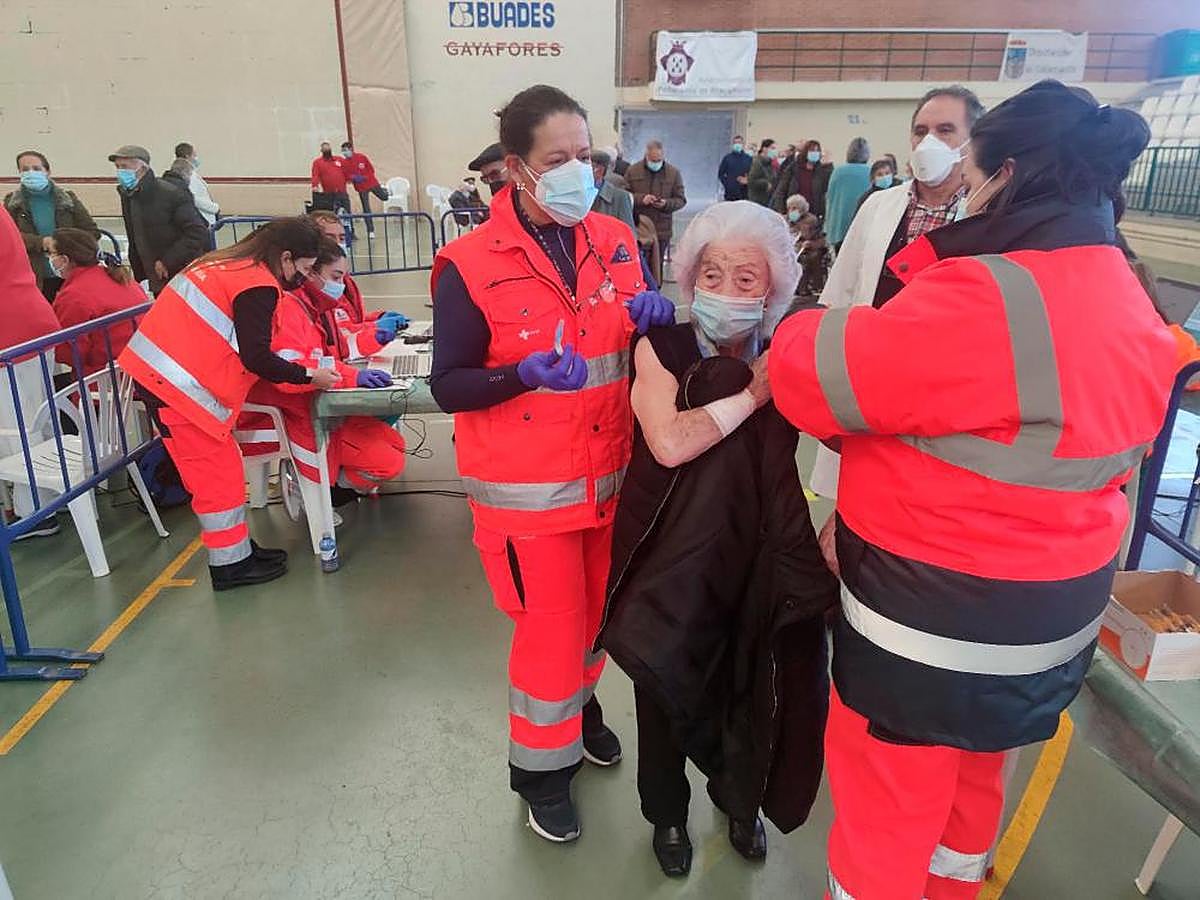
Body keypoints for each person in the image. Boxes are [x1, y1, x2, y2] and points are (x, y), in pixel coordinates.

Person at [768, 79, 1178, 900]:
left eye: (974, 171)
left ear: (1008, 175)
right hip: (1046, 628)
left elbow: (812, 378)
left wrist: (807, 323)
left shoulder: (988, 292)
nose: (963, 185)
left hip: (930, 629)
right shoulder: (1128, 295)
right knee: (972, 793)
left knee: (888, 809)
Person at [429, 84, 675, 843]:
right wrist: (520, 375)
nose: (579, 171)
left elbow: (635, 340)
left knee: (601, 619)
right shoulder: (467, 264)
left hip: (613, 483)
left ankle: (582, 708)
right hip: (529, 499)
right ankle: (541, 771)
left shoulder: (617, 238)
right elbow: (448, 384)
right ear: (516, 169)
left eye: (587, 156)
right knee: (550, 633)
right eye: (557, 159)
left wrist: (658, 323)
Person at [601, 201, 836, 878]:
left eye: (745, 279)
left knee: (750, 678)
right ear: (688, 277)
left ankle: (741, 803)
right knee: (665, 676)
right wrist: (753, 396)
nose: (726, 292)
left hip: (752, 548)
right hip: (667, 549)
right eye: (713, 273)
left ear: (773, 293)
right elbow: (670, 444)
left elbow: (860, 433)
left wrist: (839, 522)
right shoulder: (662, 348)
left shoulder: (787, 360)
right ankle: (667, 814)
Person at [118, 218, 333, 590]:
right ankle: (229, 567)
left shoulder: (223, 266)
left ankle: (240, 550)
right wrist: (308, 376)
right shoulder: (256, 284)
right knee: (217, 483)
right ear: (285, 257)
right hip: (178, 390)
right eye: (304, 268)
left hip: (168, 380)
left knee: (225, 473)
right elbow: (257, 357)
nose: (304, 277)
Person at [809, 86, 984, 513]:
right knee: (856, 510)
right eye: (921, 130)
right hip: (871, 383)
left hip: (950, 394)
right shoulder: (880, 207)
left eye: (946, 130)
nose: (930, 142)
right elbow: (841, 293)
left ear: (973, 141)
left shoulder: (990, 215)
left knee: (928, 509)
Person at [240, 240, 405, 516]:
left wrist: (357, 366)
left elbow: (329, 352)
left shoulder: (312, 307)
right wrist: (352, 377)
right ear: (310, 272)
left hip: (316, 405)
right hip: (295, 413)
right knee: (387, 462)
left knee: (395, 444)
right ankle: (315, 492)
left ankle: (321, 486)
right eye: (335, 277)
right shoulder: (290, 308)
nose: (340, 285)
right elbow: (295, 371)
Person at [0, 208, 66, 539]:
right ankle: (56, 492)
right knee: (38, 415)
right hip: (30, 319)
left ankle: (36, 511)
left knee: (14, 426)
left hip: (8, 331)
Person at [305, 210, 407, 359]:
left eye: (341, 238)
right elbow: (339, 334)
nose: (338, 243)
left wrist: (378, 317)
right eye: (329, 237)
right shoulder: (319, 285)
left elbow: (350, 318)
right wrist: (376, 327)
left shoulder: (343, 278)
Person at [109, 145, 208, 296]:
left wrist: (167, 261)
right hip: (155, 276)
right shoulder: (129, 196)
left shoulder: (170, 194)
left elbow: (197, 231)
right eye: (117, 167)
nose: (120, 172)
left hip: (181, 273)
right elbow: (136, 235)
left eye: (124, 166)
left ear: (141, 167)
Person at [47, 228, 145, 375]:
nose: (49, 258)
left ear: (65, 259)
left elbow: (70, 354)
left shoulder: (74, 295)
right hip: (138, 367)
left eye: (51, 253)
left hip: (103, 380)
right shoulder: (121, 278)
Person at [5, 151, 99, 300]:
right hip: (35, 276)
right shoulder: (12, 203)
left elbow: (92, 231)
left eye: (36, 168)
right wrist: (41, 242)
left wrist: (65, 243)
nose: (31, 173)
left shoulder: (68, 199)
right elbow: (8, 237)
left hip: (71, 272)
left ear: (47, 171)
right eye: (25, 169)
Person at [625, 141, 687, 277]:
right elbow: (624, 196)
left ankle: (655, 294)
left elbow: (681, 200)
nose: (656, 163)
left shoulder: (673, 173)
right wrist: (641, 199)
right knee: (638, 266)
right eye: (653, 160)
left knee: (656, 268)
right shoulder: (632, 171)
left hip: (662, 229)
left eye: (659, 160)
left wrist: (666, 204)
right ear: (646, 155)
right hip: (639, 228)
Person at [823, 138, 872, 251]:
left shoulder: (838, 172)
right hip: (862, 228)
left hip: (839, 228)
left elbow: (829, 199)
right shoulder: (870, 172)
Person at [770, 140, 832, 217]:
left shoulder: (821, 171)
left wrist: (829, 165)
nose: (815, 153)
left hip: (813, 214)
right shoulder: (793, 168)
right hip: (793, 212)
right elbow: (781, 190)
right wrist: (782, 211)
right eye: (812, 150)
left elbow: (826, 191)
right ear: (806, 152)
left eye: (817, 151)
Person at [340, 141, 389, 231]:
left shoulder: (361, 157)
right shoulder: (344, 162)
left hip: (371, 183)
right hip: (361, 188)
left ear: (351, 149)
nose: (344, 153)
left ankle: (386, 191)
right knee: (366, 208)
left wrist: (365, 177)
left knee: (384, 197)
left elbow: (371, 169)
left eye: (345, 150)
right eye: (342, 151)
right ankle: (370, 230)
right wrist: (353, 177)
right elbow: (346, 176)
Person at [173, 142, 220, 232]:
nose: (196, 158)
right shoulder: (188, 176)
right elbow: (192, 198)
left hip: (205, 220)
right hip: (202, 221)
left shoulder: (191, 174)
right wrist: (215, 208)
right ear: (187, 156)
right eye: (194, 155)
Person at [590, 150, 636, 233]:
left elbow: (628, 234)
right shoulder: (578, 195)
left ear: (599, 170)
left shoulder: (620, 197)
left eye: (587, 168)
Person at [795, 213, 832, 299]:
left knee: (813, 258)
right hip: (802, 253)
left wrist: (811, 244)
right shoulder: (798, 233)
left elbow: (822, 243)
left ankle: (816, 286)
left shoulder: (819, 234)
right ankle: (801, 288)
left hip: (816, 253)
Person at [310, 141, 351, 213]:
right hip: (329, 194)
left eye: (328, 149)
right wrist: (315, 185)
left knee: (347, 212)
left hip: (342, 191)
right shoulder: (317, 162)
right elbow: (315, 175)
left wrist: (351, 178)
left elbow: (347, 170)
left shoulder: (339, 159)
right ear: (322, 151)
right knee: (332, 214)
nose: (327, 151)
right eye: (325, 149)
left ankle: (348, 224)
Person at [717, 135, 753, 201]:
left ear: (743, 144)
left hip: (744, 193)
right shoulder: (727, 158)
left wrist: (747, 180)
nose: (737, 144)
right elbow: (720, 174)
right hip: (730, 194)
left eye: (739, 143)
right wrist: (727, 184)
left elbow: (753, 174)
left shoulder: (748, 159)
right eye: (735, 143)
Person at [747, 139, 777, 206]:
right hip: (758, 201)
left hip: (767, 200)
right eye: (772, 148)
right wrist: (766, 184)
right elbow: (752, 181)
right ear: (764, 149)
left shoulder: (769, 163)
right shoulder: (757, 162)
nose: (774, 151)